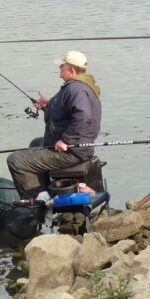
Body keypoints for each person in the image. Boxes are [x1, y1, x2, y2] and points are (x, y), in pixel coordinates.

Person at [7, 51, 102, 200]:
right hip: (75, 146)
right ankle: (45, 192)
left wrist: (66, 140)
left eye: (62, 67)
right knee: (35, 143)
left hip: (72, 151)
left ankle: (35, 205)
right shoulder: (78, 86)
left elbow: (83, 117)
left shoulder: (75, 89)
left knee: (16, 160)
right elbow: (67, 112)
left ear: (71, 70)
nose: (59, 71)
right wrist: (48, 105)